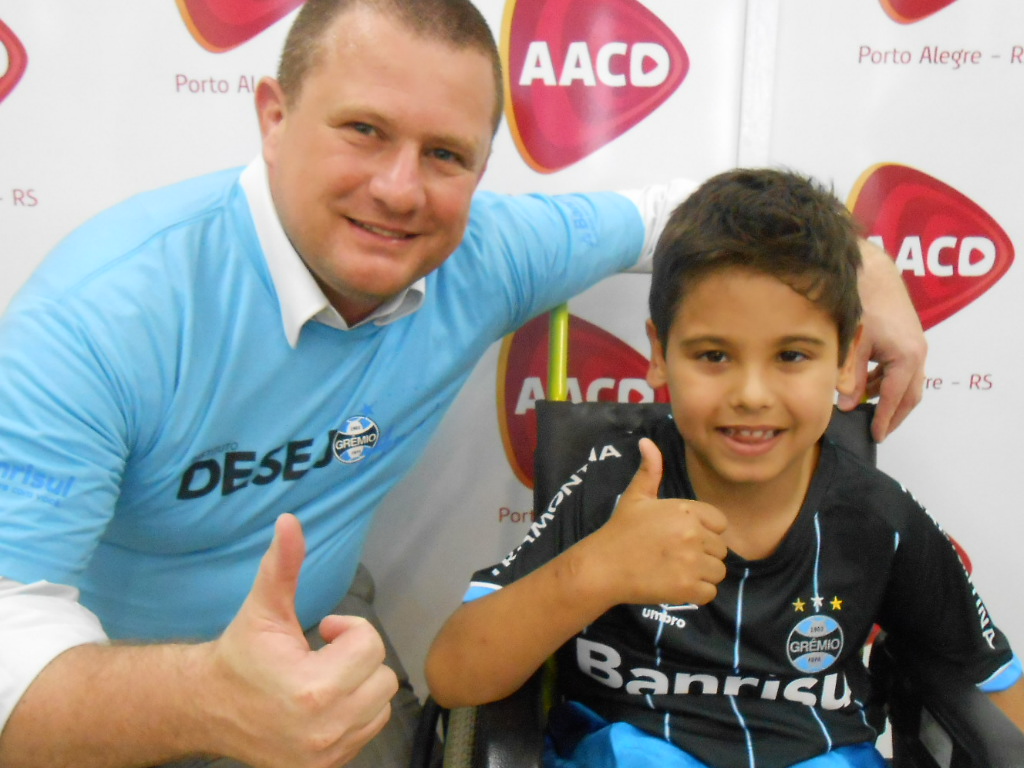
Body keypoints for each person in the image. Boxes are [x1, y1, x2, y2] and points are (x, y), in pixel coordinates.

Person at [0, 0, 926, 762]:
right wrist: (205, 694)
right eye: (364, 131)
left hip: (323, 659)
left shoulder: (476, 254)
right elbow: (12, 656)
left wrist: (861, 262)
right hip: (102, 695)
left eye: (445, 155)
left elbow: (677, 219)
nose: (401, 190)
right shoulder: (106, 314)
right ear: (273, 118)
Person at [425, 168, 1024, 768]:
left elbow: (994, 681)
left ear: (846, 360)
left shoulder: (877, 516)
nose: (752, 394)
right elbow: (454, 675)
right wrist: (599, 568)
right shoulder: (610, 483)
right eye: (714, 355)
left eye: (791, 355)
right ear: (660, 355)